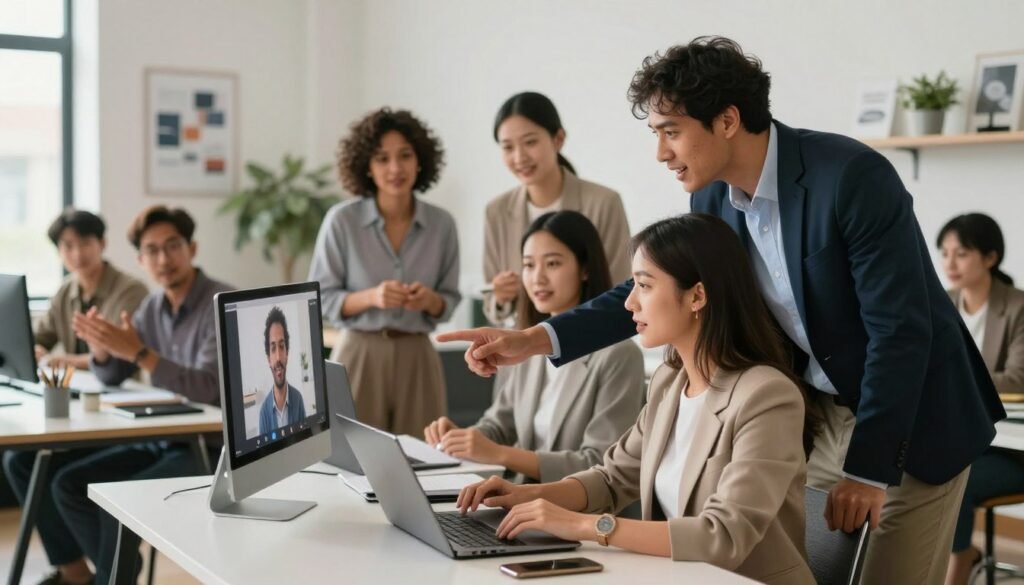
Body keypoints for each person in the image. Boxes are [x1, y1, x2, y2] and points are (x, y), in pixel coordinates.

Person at [440, 37, 1003, 585]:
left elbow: (900, 330)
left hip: (911, 413)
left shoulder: (850, 177)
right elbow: (657, 286)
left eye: (671, 132)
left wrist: (868, 470)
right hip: (819, 409)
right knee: (805, 560)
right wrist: (535, 339)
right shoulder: (708, 196)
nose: (660, 153)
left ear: (728, 120)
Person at [457, 214, 814, 584]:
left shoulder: (767, 397)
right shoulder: (668, 383)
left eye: (643, 285)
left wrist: (584, 525)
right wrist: (524, 496)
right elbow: (611, 479)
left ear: (697, 295)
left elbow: (722, 536)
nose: (629, 304)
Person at [5, 205, 232, 585]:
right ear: (141, 260)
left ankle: (113, 576)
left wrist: (139, 352)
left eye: (172, 246)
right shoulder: (153, 307)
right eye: (152, 251)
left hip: (209, 448)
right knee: (68, 484)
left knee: (116, 502)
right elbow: (113, 373)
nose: (163, 259)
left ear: (192, 249)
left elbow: (208, 388)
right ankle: (108, 575)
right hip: (162, 439)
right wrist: (102, 350)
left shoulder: (220, 302)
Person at [424, 211, 643, 482]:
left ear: (585, 269)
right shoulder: (527, 344)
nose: (537, 278)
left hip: (583, 513)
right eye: (528, 265)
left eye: (552, 264)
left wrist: (499, 454)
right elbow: (498, 425)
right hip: (522, 502)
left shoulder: (619, 355)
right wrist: (460, 438)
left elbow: (599, 463)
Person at [309, 107, 461, 436]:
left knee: (425, 460)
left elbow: (449, 300)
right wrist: (372, 297)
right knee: (350, 456)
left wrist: (430, 301)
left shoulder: (442, 224)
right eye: (381, 158)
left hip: (418, 355)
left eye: (405, 155)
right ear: (367, 166)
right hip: (359, 354)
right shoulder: (342, 221)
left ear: (420, 160)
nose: (395, 168)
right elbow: (320, 299)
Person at [483, 91, 631, 325]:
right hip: (522, 347)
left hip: (588, 340)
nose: (519, 157)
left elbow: (620, 288)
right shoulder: (497, 211)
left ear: (558, 139)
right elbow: (493, 303)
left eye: (530, 142)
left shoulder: (603, 202)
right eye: (508, 147)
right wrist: (500, 297)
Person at [938, 214, 1024, 585]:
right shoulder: (942, 303)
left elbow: (1018, 379)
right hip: (967, 438)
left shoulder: (1018, 307)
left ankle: (955, 574)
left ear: (990, 258)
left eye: (962, 253)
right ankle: (954, 557)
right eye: (944, 253)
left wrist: (957, 377)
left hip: (1012, 450)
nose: (950, 264)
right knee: (924, 467)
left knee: (957, 476)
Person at [33, 208, 149, 371]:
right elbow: (39, 337)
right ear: (58, 251)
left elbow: (118, 355)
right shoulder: (64, 291)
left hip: (121, 390)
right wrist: (35, 350)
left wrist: (56, 360)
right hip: (75, 386)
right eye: (68, 246)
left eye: (85, 243)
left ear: (102, 243)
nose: (78, 254)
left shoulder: (132, 290)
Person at [258, 306, 307, 436]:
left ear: (287, 353)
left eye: (281, 346)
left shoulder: (298, 399)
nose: (278, 357)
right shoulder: (263, 412)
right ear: (268, 358)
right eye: (273, 348)